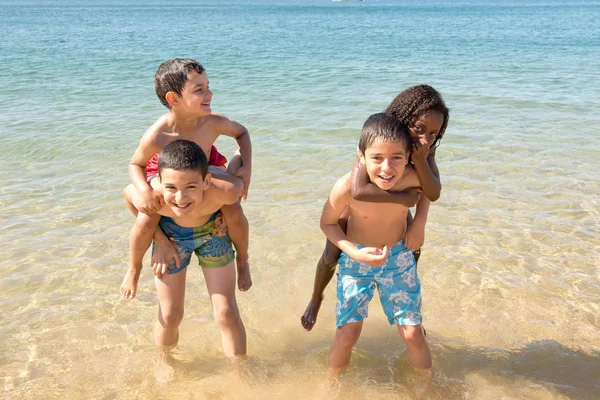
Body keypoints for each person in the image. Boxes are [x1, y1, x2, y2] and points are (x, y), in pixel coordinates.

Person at [301, 85, 448, 331]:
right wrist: (404, 199)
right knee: (331, 256)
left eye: (434, 134)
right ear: (403, 120)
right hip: (357, 208)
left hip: (396, 203)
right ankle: (316, 298)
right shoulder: (380, 139)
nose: (425, 139)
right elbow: (359, 191)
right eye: (419, 129)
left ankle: (407, 306)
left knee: (413, 248)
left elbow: (432, 191)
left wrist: (419, 221)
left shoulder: (425, 149)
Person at [120, 58, 252, 300]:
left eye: (208, 86)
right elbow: (135, 164)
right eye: (199, 89)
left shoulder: (212, 122)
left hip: (203, 167)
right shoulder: (159, 133)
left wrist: (247, 168)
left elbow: (242, 132)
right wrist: (145, 190)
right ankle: (134, 267)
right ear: (173, 99)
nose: (209, 93)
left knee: (233, 204)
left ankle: (242, 258)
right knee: (147, 214)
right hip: (168, 174)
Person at [318, 113, 431, 377]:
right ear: (361, 156)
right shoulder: (346, 186)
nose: (387, 168)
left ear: (408, 157)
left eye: (397, 158)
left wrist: (419, 224)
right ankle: (332, 385)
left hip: (399, 258)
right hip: (356, 262)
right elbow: (327, 223)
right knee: (347, 334)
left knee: (413, 333)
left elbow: (431, 189)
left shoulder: (412, 178)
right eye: (377, 158)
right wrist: (354, 251)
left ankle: (428, 387)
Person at [122, 140, 247, 360]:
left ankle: (240, 370)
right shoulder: (155, 197)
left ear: (206, 181)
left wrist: (242, 260)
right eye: (171, 188)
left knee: (226, 312)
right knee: (170, 315)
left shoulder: (222, 193)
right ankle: (165, 363)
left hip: (213, 234)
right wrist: (160, 241)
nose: (180, 198)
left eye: (191, 187)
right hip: (171, 238)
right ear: (160, 182)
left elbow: (238, 222)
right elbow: (128, 195)